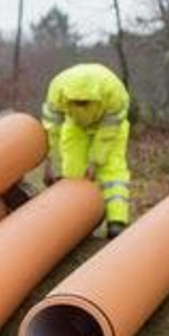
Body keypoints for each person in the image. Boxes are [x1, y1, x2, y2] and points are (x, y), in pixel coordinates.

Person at [41, 62, 132, 237]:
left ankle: (116, 221)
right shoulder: (57, 89)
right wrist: (51, 160)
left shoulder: (115, 92)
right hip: (75, 126)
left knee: (112, 170)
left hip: (108, 128)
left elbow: (108, 133)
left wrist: (94, 161)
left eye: (84, 103)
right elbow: (53, 129)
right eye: (75, 102)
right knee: (72, 171)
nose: (79, 105)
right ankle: (77, 220)